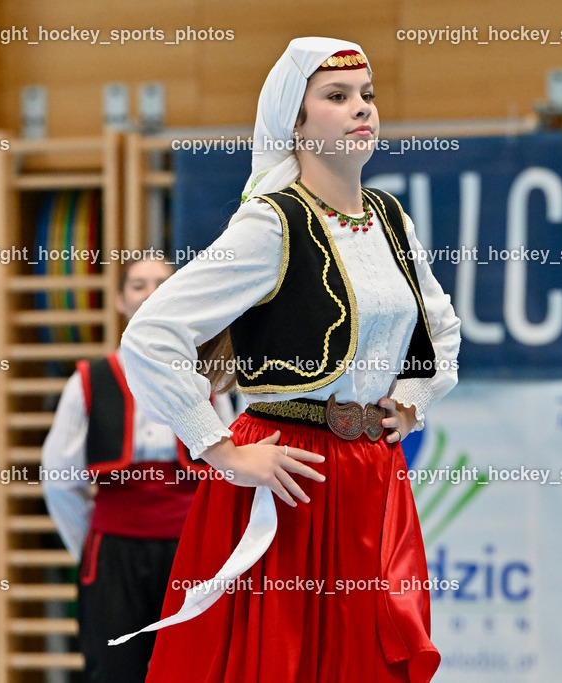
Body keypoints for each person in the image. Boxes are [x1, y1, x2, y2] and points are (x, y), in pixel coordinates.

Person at [115, 37, 461, 682]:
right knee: (280, 660)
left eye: (366, 95)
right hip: (287, 472)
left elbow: (441, 330)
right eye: (337, 96)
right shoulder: (270, 225)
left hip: (371, 475)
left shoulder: (390, 218)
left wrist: (413, 400)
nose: (362, 107)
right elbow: (150, 335)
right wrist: (221, 449)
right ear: (293, 123)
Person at [41, 256, 237, 683]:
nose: (150, 294)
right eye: (138, 285)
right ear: (119, 300)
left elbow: (230, 470)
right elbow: (59, 479)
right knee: (113, 669)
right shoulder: (89, 380)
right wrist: (96, 546)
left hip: (191, 549)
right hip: (115, 553)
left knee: (196, 670)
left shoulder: (207, 381)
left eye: (162, 284)